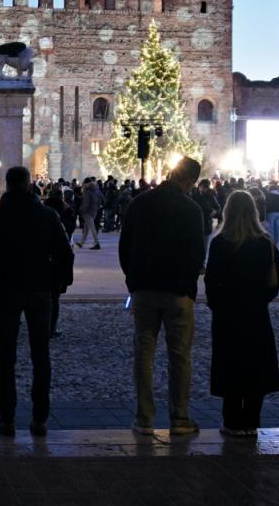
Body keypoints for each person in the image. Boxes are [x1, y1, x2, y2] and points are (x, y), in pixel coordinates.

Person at [0, 166, 74, 437]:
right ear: (30, 184)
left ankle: (7, 418)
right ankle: (39, 418)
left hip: (7, 291)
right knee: (40, 355)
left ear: (8, 186)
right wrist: (58, 282)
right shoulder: (47, 215)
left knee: (6, 356)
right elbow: (64, 253)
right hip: (39, 290)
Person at [118, 156, 206, 436]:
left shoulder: (140, 204)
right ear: (190, 180)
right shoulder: (191, 209)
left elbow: (125, 248)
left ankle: (144, 418)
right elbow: (196, 253)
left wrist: (134, 280)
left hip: (144, 290)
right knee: (179, 356)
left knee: (143, 355)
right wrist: (188, 282)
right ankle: (179, 417)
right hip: (178, 293)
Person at [204, 190, 279, 436]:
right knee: (255, 365)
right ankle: (251, 419)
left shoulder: (220, 243)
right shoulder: (265, 243)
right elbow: (277, 280)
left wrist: (218, 305)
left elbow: (211, 281)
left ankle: (231, 419)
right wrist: (261, 299)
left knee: (231, 364)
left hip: (228, 315)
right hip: (256, 314)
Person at [43, 186, 78, 339]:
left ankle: (41, 326)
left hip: (43, 258)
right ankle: (51, 328)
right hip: (57, 258)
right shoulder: (66, 210)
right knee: (54, 297)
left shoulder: (43, 211)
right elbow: (69, 231)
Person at [76, 179, 102, 249]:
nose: (83, 185)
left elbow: (86, 203)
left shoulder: (87, 191)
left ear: (86, 184)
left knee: (92, 228)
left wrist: (81, 211)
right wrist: (97, 207)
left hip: (87, 212)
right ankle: (81, 243)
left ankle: (97, 243)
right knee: (86, 228)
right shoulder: (97, 189)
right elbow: (100, 199)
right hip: (94, 210)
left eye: (84, 184)